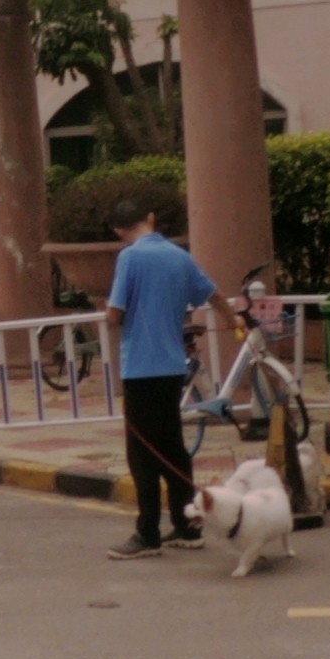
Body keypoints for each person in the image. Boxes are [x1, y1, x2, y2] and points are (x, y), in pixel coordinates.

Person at [104, 197, 222, 560]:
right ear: (151, 218)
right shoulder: (178, 256)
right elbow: (212, 293)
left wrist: (108, 318)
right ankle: (186, 525)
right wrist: (234, 320)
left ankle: (148, 534)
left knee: (142, 453)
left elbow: (114, 313)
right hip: (172, 366)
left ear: (119, 231)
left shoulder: (130, 257)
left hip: (141, 368)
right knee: (172, 446)